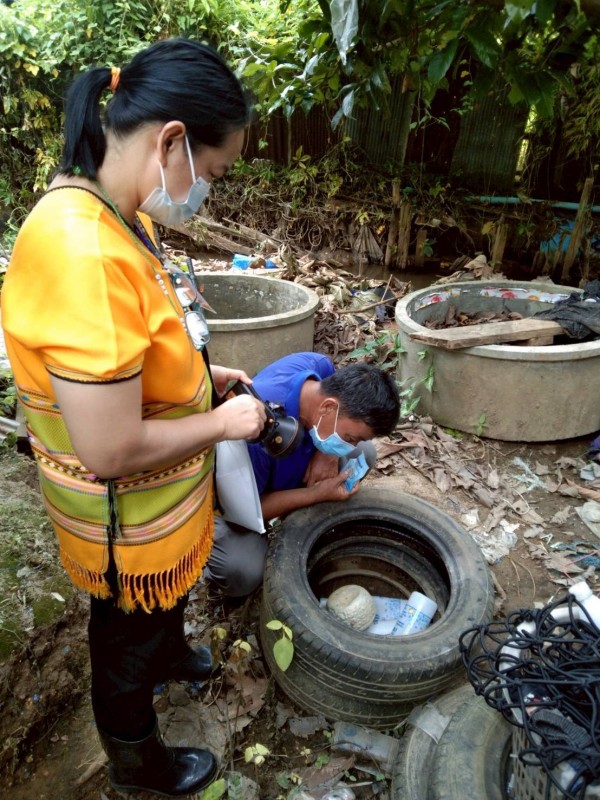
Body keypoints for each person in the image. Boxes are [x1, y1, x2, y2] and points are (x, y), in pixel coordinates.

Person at [1, 39, 267, 798]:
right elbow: (112, 445)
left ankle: (168, 647)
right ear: (172, 141)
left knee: (154, 618)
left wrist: (205, 377)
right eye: (212, 174)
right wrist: (223, 424)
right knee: (121, 640)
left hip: (162, 511)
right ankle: (136, 759)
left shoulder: (118, 218)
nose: (206, 191)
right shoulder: (82, 251)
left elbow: (138, 349)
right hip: (125, 518)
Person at [205, 352, 400, 597]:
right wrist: (315, 494)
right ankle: (210, 563)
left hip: (283, 470)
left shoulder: (317, 367)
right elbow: (252, 510)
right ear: (328, 407)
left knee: (363, 455)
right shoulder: (256, 433)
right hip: (234, 504)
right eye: (349, 438)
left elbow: (332, 402)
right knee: (243, 569)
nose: (349, 444)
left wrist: (326, 454)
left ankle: (297, 516)